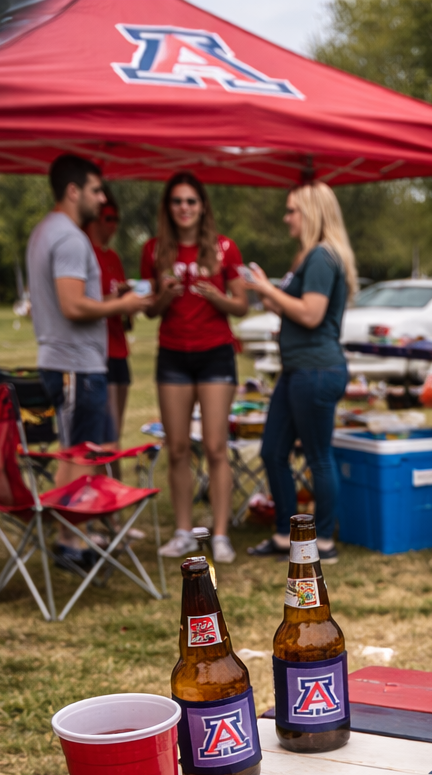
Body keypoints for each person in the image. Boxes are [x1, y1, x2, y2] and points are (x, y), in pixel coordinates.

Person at [26, 154, 149, 573]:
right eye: (96, 190)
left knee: (79, 450)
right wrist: (125, 303)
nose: (101, 198)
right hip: (75, 365)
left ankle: (75, 535)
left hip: (65, 361)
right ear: (73, 190)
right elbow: (72, 304)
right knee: (78, 455)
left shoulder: (44, 231)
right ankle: (70, 542)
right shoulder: (70, 238)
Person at [243, 182, 357, 564]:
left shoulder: (323, 257)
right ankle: (285, 537)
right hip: (297, 369)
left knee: (317, 456)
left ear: (311, 212)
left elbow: (310, 313)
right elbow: (295, 310)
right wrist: (270, 294)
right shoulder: (308, 256)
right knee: (272, 451)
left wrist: (266, 290)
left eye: (292, 210)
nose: (286, 217)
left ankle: (322, 542)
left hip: (317, 370)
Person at [141, 172, 248, 565]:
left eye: (191, 201)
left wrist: (218, 297)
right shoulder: (154, 250)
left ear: (202, 206)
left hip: (216, 354)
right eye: (177, 201)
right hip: (172, 356)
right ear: (168, 208)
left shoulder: (224, 249)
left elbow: (241, 305)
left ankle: (220, 534)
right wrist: (164, 297)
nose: (184, 208)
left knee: (217, 448)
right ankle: (184, 532)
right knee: (178, 448)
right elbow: (150, 310)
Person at [85, 189, 131, 445]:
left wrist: (129, 305)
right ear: (95, 218)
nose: (114, 225)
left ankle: (113, 482)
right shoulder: (84, 252)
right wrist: (121, 300)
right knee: (106, 437)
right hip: (98, 352)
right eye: (109, 218)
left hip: (119, 348)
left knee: (115, 434)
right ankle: (111, 484)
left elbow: (120, 308)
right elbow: (80, 304)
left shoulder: (112, 257)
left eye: (117, 219)